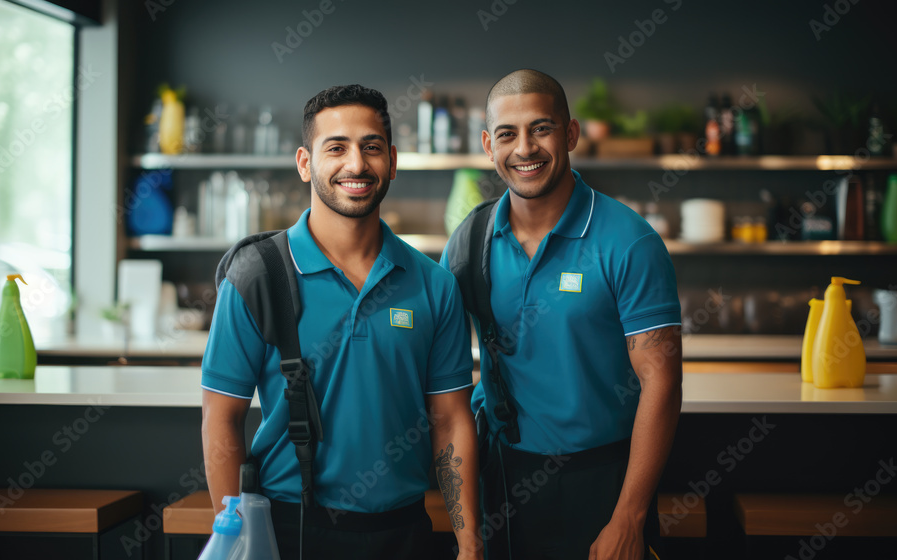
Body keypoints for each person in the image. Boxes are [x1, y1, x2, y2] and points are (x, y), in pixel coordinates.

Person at [201, 84, 482, 560]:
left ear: (391, 160)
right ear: (305, 162)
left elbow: (452, 420)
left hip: (405, 530)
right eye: (337, 147)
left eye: (371, 147)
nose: (356, 164)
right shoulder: (256, 275)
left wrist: (470, 541)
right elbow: (220, 419)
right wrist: (238, 540)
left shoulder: (434, 285)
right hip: (291, 527)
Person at [441, 69, 683, 560]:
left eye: (542, 128)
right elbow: (435, 377)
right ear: (489, 145)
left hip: (605, 480)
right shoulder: (469, 241)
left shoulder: (628, 241)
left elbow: (663, 382)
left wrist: (629, 518)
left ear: (570, 134)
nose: (525, 148)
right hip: (503, 475)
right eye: (507, 134)